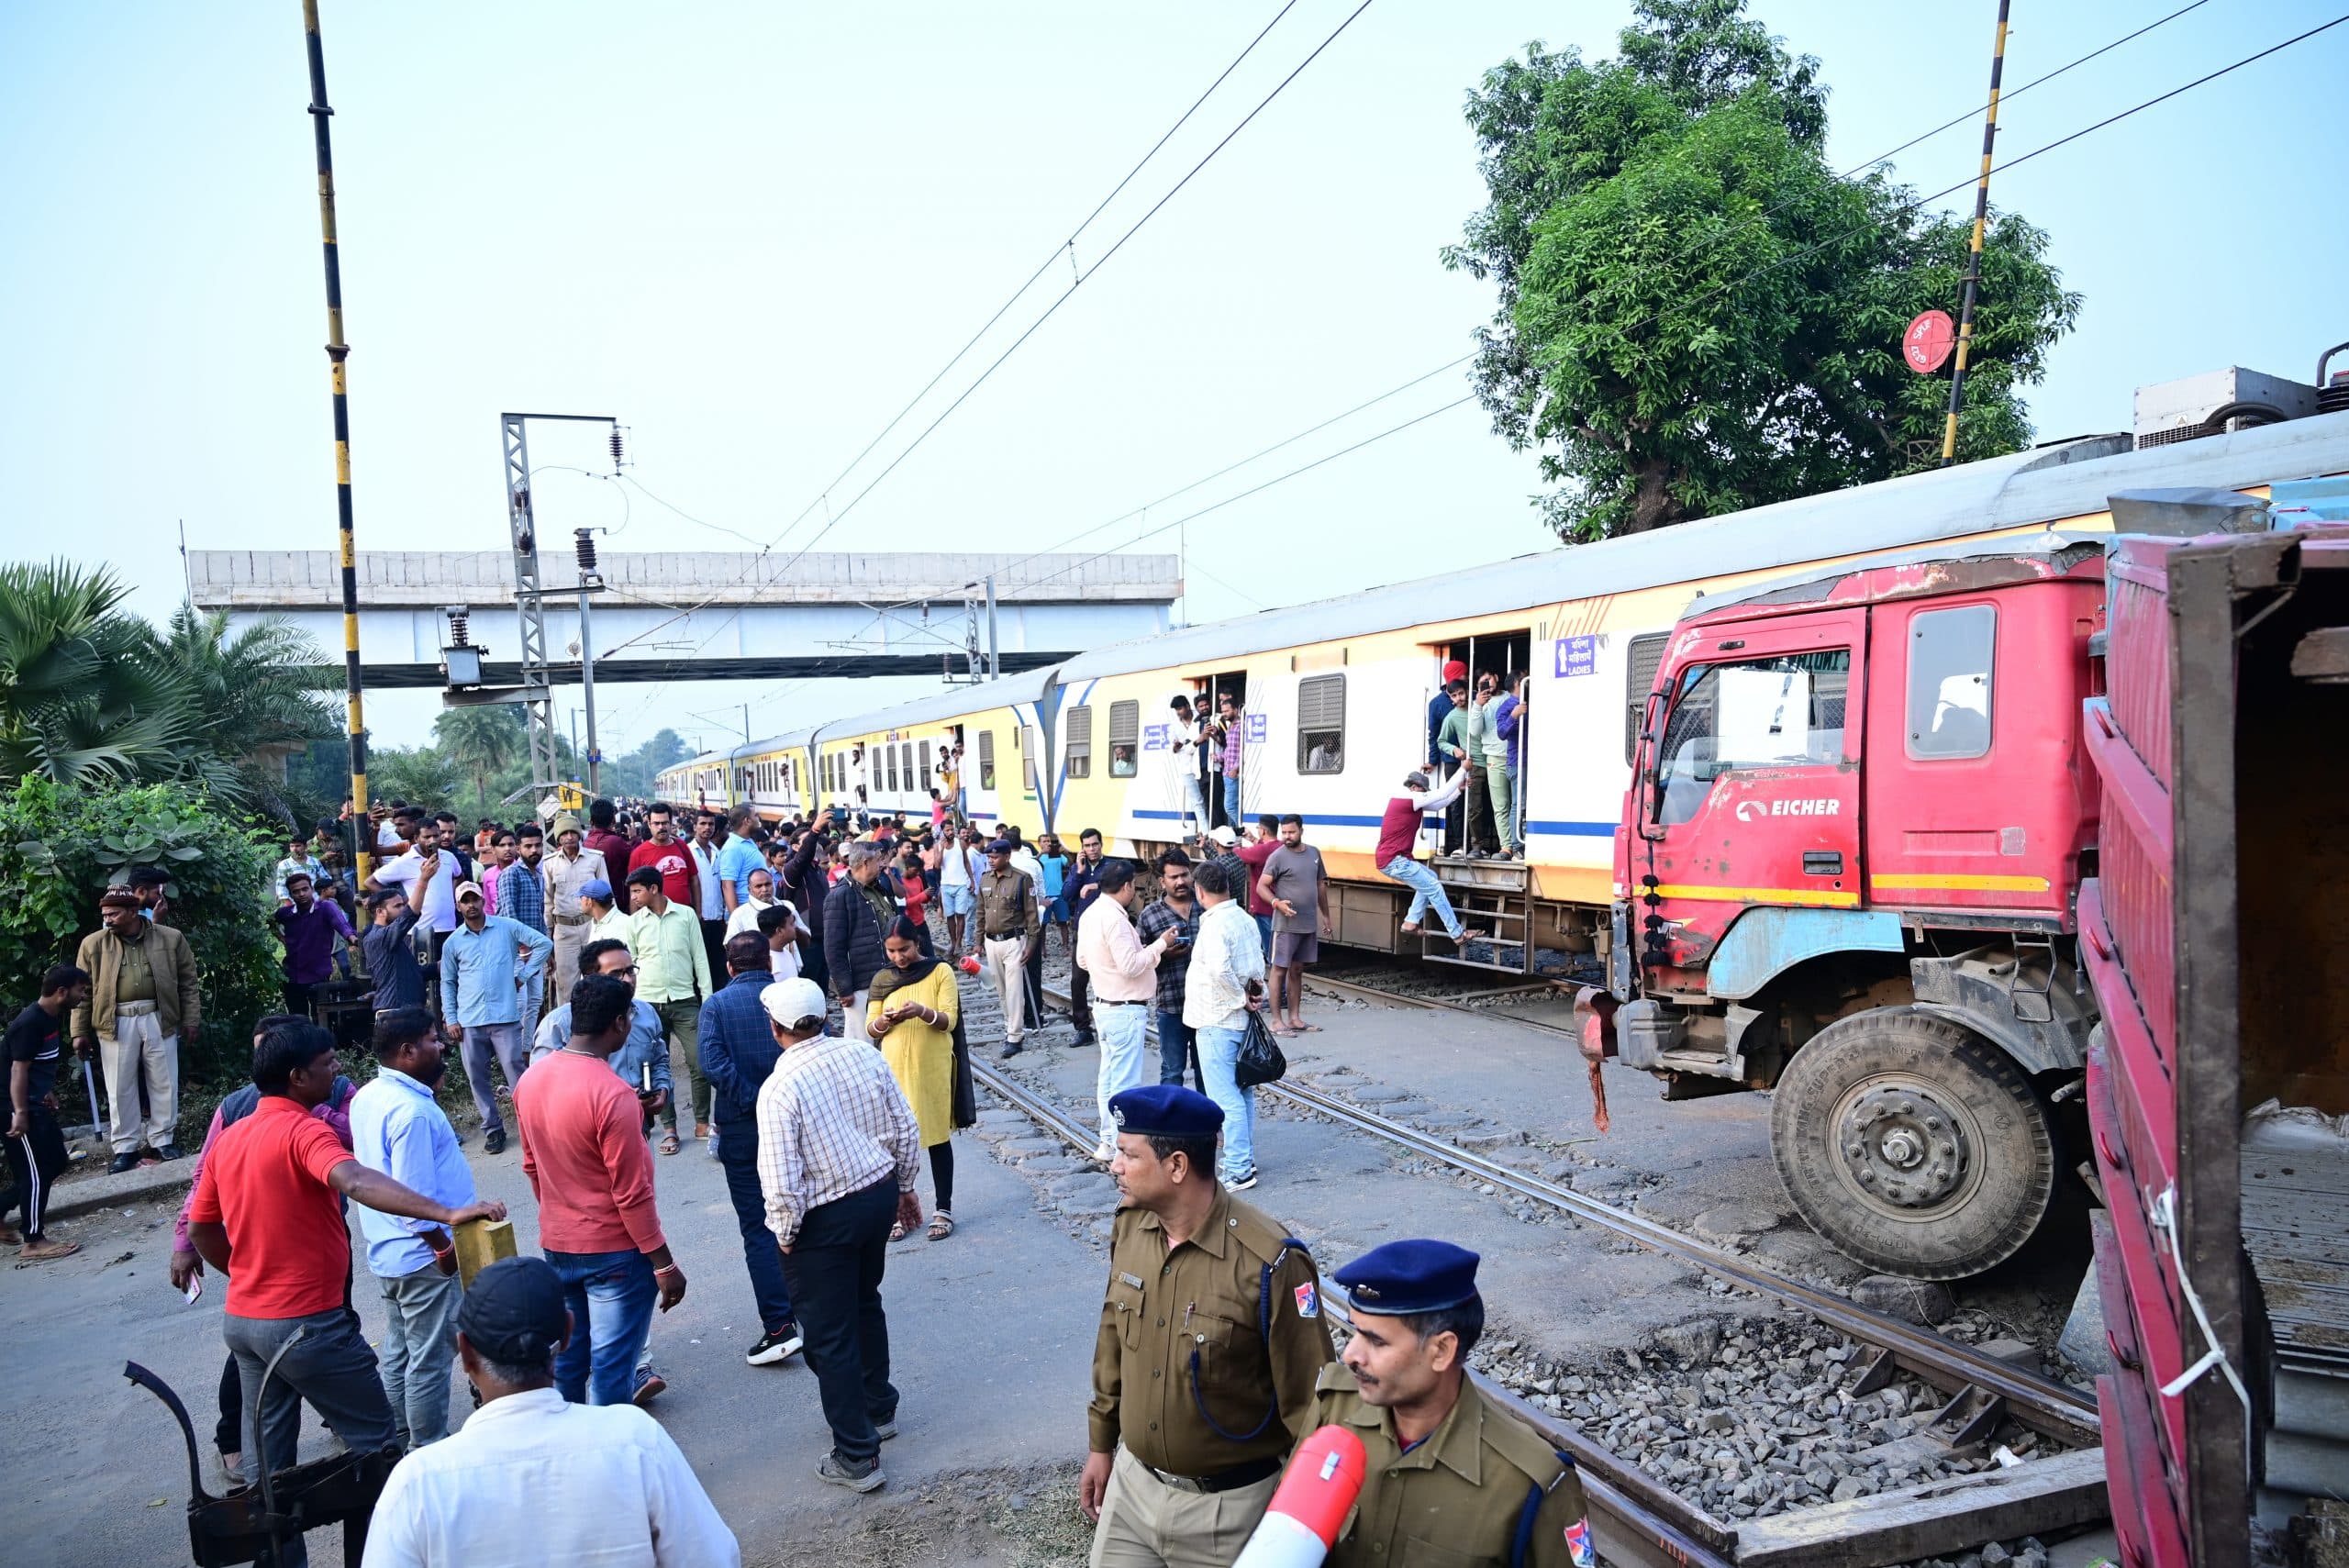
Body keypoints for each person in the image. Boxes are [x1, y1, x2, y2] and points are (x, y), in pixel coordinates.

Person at [184, 1022, 504, 1568]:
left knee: (269, 1470)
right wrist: (445, 1214)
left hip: (245, 1324)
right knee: (377, 1451)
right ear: (297, 1076)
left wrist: (241, 1274)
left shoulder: (232, 1136)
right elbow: (356, 1182)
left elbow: (200, 1228)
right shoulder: (303, 1130)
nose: (336, 1072)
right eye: (328, 1064)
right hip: (307, 1324)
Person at [1079, 1084, 1333, 1562]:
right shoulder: (1131, 1225)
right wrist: (1101, 1443)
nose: (1113, 1165)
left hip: (1230, 1513)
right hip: (1133, 1492)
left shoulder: (1271, 1263)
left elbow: (1312, 1408)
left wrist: (1299, 1528)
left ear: (1176, 1166)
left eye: (1127, 1154)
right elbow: (1113, 1334)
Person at [360, 1257, 742, 1568]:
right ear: (568, 1334)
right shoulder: (636, 1441)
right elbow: (713, 1557)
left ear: (466, 1353)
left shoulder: (417, 1482)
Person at [1310, 1240, 1592, 1568]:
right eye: (1355, 1332)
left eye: (1376, 1341)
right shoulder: (1334, 1408)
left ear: (1442, 1351)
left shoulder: (1527, 1482)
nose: (1350, 1355)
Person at [753, 977, 924, 1493]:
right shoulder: (862, 1055)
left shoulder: (780, 1087)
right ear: (822, 1018)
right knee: (864, 1301)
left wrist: (784, 1233)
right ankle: (879, 1407)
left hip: (823, 1218)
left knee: (828, 1334)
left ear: (776, 1029)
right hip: (875, 1197)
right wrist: (907, 1186)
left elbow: (781, 1178)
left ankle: (857, 1455)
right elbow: (904, 1125)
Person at [514, 973, 688, 1407]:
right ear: (620, 1023)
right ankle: (603, 1461)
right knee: (612, 1368)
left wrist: (564, 1214)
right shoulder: (613, 1095)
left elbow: (532, 1166)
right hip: (615, 1253)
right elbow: (632, 1194)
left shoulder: (531, 1082)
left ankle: (569, 1449)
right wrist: (664, 1265)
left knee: (570, 1359)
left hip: (559, 1244)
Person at [351, 1007, 476, 1449]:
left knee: (401, 1353)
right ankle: (426, 1449)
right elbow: (413, 1201)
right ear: (406, 1052)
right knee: (429, 1359)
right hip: (423, 1258)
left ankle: (396, 1440)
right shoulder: (412, 1113)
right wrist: (443, 1249)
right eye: (431, 1039)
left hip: (390, 1254)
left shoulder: (368, 1096)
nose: (440, 1044)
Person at [695, 932, 803, 1368]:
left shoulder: (716, 1006)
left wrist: (753, 1100)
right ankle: (815, 1309)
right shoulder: (791, 998)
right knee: (802, 1211)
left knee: (758, 1227)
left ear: (730, 966)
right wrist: (780, 1099)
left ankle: (779, 1328)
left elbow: (712, 1064)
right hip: (797, 1123)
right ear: (769, 962)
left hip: (742, 1128)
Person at [72, 884, 199, 1171]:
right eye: (105, 914)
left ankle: (162, 1139)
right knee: (119, 1086)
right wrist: (78, 1032)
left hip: (158, 1015)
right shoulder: (93, 944)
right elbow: (83, 992)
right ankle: (125, 1147)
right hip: (115, 1020)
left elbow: (189, 982)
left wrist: (191, 1019)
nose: (108, 919)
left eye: (114, 914)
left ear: (132, 911)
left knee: (164, 1079)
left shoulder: (170, 938)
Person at [866, 917, 970, 1241]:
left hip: (933, 1067)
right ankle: (896, 1213)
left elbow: (948, 1020)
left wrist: (921, 1012)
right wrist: (885, 1020)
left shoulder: (940, 971)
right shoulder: (882, 979)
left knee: (937, 1137)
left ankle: (943, 1208)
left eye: (905, 950)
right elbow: (870, 1029)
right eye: (893, 951)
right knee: (894, 1143)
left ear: (918, 944)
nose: (899, 958)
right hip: (893, 1069)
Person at [438, 882, 551, 1158]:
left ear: (482, 900)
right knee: (477, 1078)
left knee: (517, 1072)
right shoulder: (453, 942)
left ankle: (532, 1127)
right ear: (458, 906)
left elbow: (543, 943)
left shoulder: (507, 927)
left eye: (475, 899)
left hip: (505, 1016)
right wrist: (451, 1018)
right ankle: (493, 1129)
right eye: (465, 901)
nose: (471, 905)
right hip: (469, 1020)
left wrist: (523, 977)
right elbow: (448, 982)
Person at [1076, 860, 1178, 1163]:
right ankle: (1123, 1146)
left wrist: (1105, 969)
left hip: (1105, 1006)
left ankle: (1107, 1142)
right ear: (1126, 887)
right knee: (1125, 1082)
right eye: (1133, 885)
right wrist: (1160, 944)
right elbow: (1131, 965)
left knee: (1108, 1078)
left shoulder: (1092, 913)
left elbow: (1083, 960)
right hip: (1125, 1009)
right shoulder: (1116, 920)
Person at [1186, 861, 1267, 1189]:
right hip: (1239, 1023)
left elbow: (1220, 970)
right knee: (1243, 1094)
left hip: (1216, 1020)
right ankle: (1244, 1158)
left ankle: (1238, 1169)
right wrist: (1253, 994)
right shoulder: (1245, 920)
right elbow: (1259, 961)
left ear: (1200, 891)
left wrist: (1237, 998)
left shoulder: (1215, 926)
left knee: (1226, 1099)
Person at [626, 865, 715, 1153]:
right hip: (648, 1004)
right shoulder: (634, 922)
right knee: (653, 1069)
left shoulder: (686, 915)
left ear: (654, 889)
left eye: (638, 890)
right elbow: (630, 966)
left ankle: (702, 1122)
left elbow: (699, 958)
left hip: (685, 1001)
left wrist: (708, 998)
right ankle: (669, 1128)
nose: (634, 896)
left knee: (699, 1062)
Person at [4, 963, 90, 1261]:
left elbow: (36, 1064)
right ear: (61, 991)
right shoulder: (30, 1022)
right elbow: (17, 1069)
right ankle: (33, 1241)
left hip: (34, 1101)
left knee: (55, 1161)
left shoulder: (51, 1017)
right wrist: (19, 1111)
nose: (83, 996)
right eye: (80, 990)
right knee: (34, 1172)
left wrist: (45, 1091)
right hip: (13, 1106)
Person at [1378, 770, 1486, 948]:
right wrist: (1462, 769)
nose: (1425, 794)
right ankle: (1458, 934)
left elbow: (1438, 804)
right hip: (1394, 860)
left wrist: (1458, 790)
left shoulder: (1411, 801)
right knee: (1434, 888)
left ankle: (1411, 922)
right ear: (1414, 787)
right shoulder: (1409, 799)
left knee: (1431, 879)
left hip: (1395, 860)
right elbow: (1441, 793)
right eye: (1424, 790)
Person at [1132, 851, 1201, 1091]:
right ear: (1162, 881)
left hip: (1208, 1006)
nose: (1180, 881)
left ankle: (1209, 1125)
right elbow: (1138, 961)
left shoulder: (1206, 906)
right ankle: (1174, 1126)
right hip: (1171, 1005)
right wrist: (1163, 955)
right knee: (1172, 1071)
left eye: (1184, 875)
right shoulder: (1150, 915)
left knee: (1207, 1070)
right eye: (1173, 877)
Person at [1257, 816, 1330, 1038]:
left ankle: (1295, 1018)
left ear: (1301, 831)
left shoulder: (1314, 853)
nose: (1287, 837)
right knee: (1279, 969)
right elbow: (1262, 886)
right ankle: (1276, 1021)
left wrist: (1326, 916)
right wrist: (1276, 903)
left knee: (1297, 970)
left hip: (1307, 922)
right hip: (1286, 924)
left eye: (1291, 832)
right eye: (1284, 833)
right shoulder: (1277, 856)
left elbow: (1320, 886)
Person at [823, 840, 896, 1046]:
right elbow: (833, 948)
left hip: (887, 976)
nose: (882, 865)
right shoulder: (840, 896)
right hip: (861, 984)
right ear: (865, 863)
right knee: (863, 1042)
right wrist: (844, 988)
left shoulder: (879, 889)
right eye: (878, 860)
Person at [974, 839, 1040, 1058]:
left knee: (1014, 991)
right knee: (1001, 989)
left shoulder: (1022, 880)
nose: (991, 861)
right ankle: (1008, 1026)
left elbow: (1032, 915)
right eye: (989, 857)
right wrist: (977, 942)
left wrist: (1031, 944)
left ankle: (1015, 1035)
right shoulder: (985, 879)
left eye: (995, 857)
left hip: (1014, 941)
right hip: (991, 941)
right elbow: (980, 912)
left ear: (1007, 857)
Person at [542, 816, 610, 1003]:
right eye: (564, 834)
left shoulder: (595, 859)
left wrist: (609, 927)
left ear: (580, 835)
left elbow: (606, 893)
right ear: (558, 838)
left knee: (600, 977)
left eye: (573, 832)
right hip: (564, 931)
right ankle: (568, 1026)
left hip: (592, 926)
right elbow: (548, 901)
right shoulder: (549, 864)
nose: (570, 837)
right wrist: (548, 937)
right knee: (566, 984)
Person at [274, 871, 355, 1021]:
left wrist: (352, 938)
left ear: (311, 889)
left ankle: (329, 1044)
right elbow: (271, 922)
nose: (301, 894)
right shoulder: (285, 913)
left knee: (323, 1017)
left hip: (318, 974)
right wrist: (282, 939)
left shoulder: (325, 908)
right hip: (292, 975)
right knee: (298, 1019)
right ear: (291, 895)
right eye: (296, 891)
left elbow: (341, 924)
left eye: (305, 889)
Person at [1063, 828, 1108, 1047]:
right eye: (1087, 846)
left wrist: (1096, 885)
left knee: (1105, 979)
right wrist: (1080, 873)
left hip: (1105, 931)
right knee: (1077, 981)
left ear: (1101, 844)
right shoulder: (1076, 868)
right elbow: (1067, 895)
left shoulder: (1111, 867)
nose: (1091, 849)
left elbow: (1119, 887)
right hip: (1082, 931)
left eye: (1094, 844)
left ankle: (1107, 1025)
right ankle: (1083, 1029)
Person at [362, 889, 427, 1016]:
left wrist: (437, 967)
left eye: (403, 904)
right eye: (398, 906)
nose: (403, 908)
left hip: (403, 1010)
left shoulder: (392, 939)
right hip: (394, 1012)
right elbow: (408, 916)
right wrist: (424, 880)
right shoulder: (378, 937)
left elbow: (406, 973)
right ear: (380, 912)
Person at [687, 809, 730, 983]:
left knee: (718, 964)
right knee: (700, 965)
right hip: (699, 918)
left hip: (717, 918)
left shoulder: (718, 852)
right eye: (703, 824)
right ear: (695, 826)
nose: (707, 828)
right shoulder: (689, 851)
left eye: (711, 824)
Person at [1483, 673, 1522, 859]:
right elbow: (1500, 732)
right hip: (1499, 757)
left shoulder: (1517, 700)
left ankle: (1515, 844)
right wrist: (1477, 706)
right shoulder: (1502, 706)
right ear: (1517, 683)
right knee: (1505, 805)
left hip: (1513, 757)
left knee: (1516, 803)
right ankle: (1510, 846)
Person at [1433, 680, 1474, 854]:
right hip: (1459, 762)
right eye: (1454, 696)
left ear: (1467, 691)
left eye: (1461, 693)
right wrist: (1454, 749)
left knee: (1477, 803)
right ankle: (1460, 844)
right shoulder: (1451, 716)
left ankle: (1479, 845)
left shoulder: (1478, 708)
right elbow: (1440, 741)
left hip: (1479, 761)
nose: (1459, 698)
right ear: (1450, 698)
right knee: (1457, 802)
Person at [1235, 814, 1282, 962]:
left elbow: (1238, 854)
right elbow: (1264, 849)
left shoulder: (1261, 851)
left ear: (1263, 831)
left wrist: (1234, 840)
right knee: (1278, 948)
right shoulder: (1280, 846)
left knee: (1271, 952)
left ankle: (1277, 983)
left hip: (1264, 906)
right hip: (1278, 903)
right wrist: (1253, 839)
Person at [1165, 695, 1211, 842]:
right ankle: (1206, 832)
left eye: (1180, 708)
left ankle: (1213, 829)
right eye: (1176, 710)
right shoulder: (1174, 726)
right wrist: (1176, 746)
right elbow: (1173, 749)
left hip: (1203, 764)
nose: (1178, 712)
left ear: (1187, 706)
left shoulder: (1200, 718)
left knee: (1209, 798)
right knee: (1197, 801)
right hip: (1186, 767)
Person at [1494, 674, 1528, 861]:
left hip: (1529, 760)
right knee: (1518, 803)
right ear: (1517, 683)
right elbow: (1501, 733)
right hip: (1517, 761)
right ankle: (1517, 846)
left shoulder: (1529, 702)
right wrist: (1514, 715)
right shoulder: (1506, 707)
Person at [936, 822, 980, 961]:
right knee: (950, 916)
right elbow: (937, 865)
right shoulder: (937, 845)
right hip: (946, 885)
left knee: (960, 915)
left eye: (952, 829)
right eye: (947, 830)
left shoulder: (960, 844)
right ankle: (953, 943)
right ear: (942, 831)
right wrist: (942, 849)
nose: (950, 832)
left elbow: (966, 862)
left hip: (961, 884)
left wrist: (972, 881)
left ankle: (958, 945)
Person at [716, 806, 765, 915]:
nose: (759, 818)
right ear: (747, 821)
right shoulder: (732, 848)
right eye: (756, 816)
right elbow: (727, 886)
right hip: (746, 913)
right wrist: (737, 919)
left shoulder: (748, 842)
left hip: (757, 911)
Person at [1036, 831, 1074, 955]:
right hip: (1044, 895)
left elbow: (1071, 864)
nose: (1047, 843)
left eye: (1049, 841)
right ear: (1039, 844)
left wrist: (1066, 853)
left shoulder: (1056, 854)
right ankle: (1042, 948)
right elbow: (1032, 866)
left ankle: (1066, 947)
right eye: (1045, 841)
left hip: (1059, 893)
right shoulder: (1038, 857)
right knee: (1043, 924)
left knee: (1063, 922)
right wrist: (1041, 854)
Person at [725, 866, 783, 939]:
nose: (764, 889)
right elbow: (730, 944)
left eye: (768, 884)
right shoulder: (739, 914)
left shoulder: (787, 906)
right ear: (749, 889)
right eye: (759, 886)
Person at [1216, 691, 1246, 828]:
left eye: (1227, 711)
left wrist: (1236, 768)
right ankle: (1236, 836)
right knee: (1232, 807)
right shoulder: (1230, 727)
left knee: (1229, 807)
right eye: (1222, 711)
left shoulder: (1241, 726)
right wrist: (1218, 758)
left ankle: (1243, 829)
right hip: (1227, 772)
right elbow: (1230, 751)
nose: (1224, 714)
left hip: (1234, 773)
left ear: (1235, 710)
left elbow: (1244, 749)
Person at [756, 901, 807, 981]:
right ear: (779, 931)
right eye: (791, 924)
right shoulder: (764, 963)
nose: (796, 928)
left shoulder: (786, 952)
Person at [275, 834, 328, 905]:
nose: (294, 849)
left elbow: (326, 880)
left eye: (298, 846)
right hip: (295, 904)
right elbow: (281, 889)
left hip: (316, 902)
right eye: (292, 846)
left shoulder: (314, 862)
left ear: (305, 847)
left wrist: (323, 899)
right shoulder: (284, 865)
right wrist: (290, 907)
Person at [584, 799, 632, 871]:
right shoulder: (616, 842)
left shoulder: (585, 842)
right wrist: (633, 838)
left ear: (591, 821)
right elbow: (635, 857)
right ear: (613, 820)